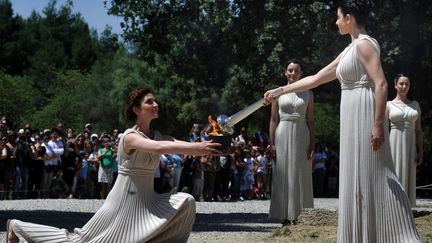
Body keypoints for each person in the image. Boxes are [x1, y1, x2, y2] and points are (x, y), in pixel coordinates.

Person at [263, 1, 420, 241]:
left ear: (348, 18)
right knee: (357, 174)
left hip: (365, 114)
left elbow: (381, 84)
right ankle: (360, 234)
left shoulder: (365, 45)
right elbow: (315, 79)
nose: (336, 22)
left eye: (338, 17)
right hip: (351, 114)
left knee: (377, 171)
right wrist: (280, 91)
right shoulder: (350, 49)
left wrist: (378, 124)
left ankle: (396, 232)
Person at [6, 87, 221, 243]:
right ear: (136, 109)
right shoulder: (129, 137)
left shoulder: (157, 135)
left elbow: (177, 143)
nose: (155, 104)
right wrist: (198, 148)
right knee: (77, 242)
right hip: (122, 203)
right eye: (149, 101)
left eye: (155, 101)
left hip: (147, 202)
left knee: (187, 201)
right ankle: (17, 226)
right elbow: (157, 148)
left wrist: (206, 145)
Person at [268, 59, 315, 226]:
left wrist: (312, 144)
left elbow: (310, 120)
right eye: (290, 70)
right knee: (284, 171)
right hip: (283, 131)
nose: (293, 73)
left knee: (301, 171)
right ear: (285, 72)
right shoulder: (277, 93)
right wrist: (271, 143)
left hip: (302, 132)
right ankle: (285, 216)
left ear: (301, 73)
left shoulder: (308, 93)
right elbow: (273, 120)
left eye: (296, 71)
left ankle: (301, 214)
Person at [387, 74, 423, 207]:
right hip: (393, 145)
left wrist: (420, 150)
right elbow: (383, 130)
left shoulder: (415, 105)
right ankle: (393, 207)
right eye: (401, 83)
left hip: (410, 146)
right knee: (395, 172)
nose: (404, 86)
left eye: (406, 84)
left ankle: (407, 208)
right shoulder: (388, 105)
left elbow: (419, 131)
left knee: (409, 173)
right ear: (395, 85)